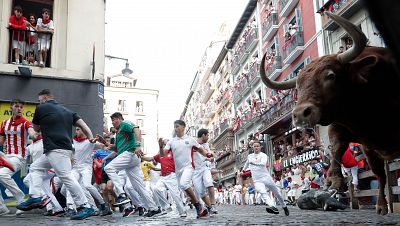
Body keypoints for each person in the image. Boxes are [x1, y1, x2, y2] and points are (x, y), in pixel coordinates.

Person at [16, 89, 95, 220]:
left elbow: (35, 130)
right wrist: (90, 137)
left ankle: (85, 206)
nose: (39, 102)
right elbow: (83, 124)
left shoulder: (41, 108)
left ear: (45, 98)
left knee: (66, 177)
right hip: (59, 149)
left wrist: (33, 130)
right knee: (35, 167)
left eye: (39, 100)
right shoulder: (68, 111)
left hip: (56, 148)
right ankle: (35, 197)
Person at [103, 112, 160, 217]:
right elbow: (116, 148)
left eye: (114, 119)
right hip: (131, 159)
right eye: (111, 120)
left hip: (130, 154)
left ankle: (121, 194)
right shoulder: (119, 133)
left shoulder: (125, 123)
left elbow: (137, 130)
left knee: (109, 167)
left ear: (120, 119)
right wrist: (105, 143)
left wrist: (138, 145)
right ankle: (154, 208)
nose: (112, 122)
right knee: (137, 186)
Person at [163, 120, 212, 218]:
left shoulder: (190, 139)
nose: (175, 128)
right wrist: (161, 146)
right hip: (178, 170)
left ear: (183, 127)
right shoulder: (171, 141)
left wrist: (207, 154)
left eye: (177, 126)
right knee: (184, 187)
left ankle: (199, 206)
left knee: (183, 184)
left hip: (189, 167)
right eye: (174, 127)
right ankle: (200, 209)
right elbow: (163, 154)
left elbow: (200, 149)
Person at [0, 99, 38, 215]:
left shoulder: (26, 123)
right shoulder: (4, 123)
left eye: (21, 107)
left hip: (19, 157)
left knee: (2, 174)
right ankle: (2, 208)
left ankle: (22, 201)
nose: (19, 109)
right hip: (6, 156)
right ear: (11, 107)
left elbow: (31, 133)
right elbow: (1, 141)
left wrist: (34, 134)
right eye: (17, 106)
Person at [243, 140, 289, 216]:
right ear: (252, 147)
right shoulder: (250, 156)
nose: (256, 147)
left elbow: (263, 163)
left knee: (277, 193)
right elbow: (247, 163)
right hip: (257, 179)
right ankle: (272, 206)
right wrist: (243, 170)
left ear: (260, 147)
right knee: (262, 192)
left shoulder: (263, 155)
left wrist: (254, 163)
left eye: (257, 146)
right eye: (254, 146)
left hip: (266, 177)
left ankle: (284, 206)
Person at [142, 144, 187, 217]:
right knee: (155, 188)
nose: (164, 146)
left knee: (175, 195)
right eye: (163, 145)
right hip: (163, 177)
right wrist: (141, 156)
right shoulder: (160, 155)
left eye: (165, 144)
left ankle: (182, 212)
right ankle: (166, 207)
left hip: (172, 176)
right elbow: (150, 159)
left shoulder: (173, 153)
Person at [192, 129, 218, 214]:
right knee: (201, 192)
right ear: (203, 135)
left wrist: (211, 158)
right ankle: (210, 207)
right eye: (208, 135)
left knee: (209, 183)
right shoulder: (192, 143)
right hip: (195, 171)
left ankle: (213, 204)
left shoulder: (206, 144)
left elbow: (208, 155)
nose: (208, 137)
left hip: (205, 168)